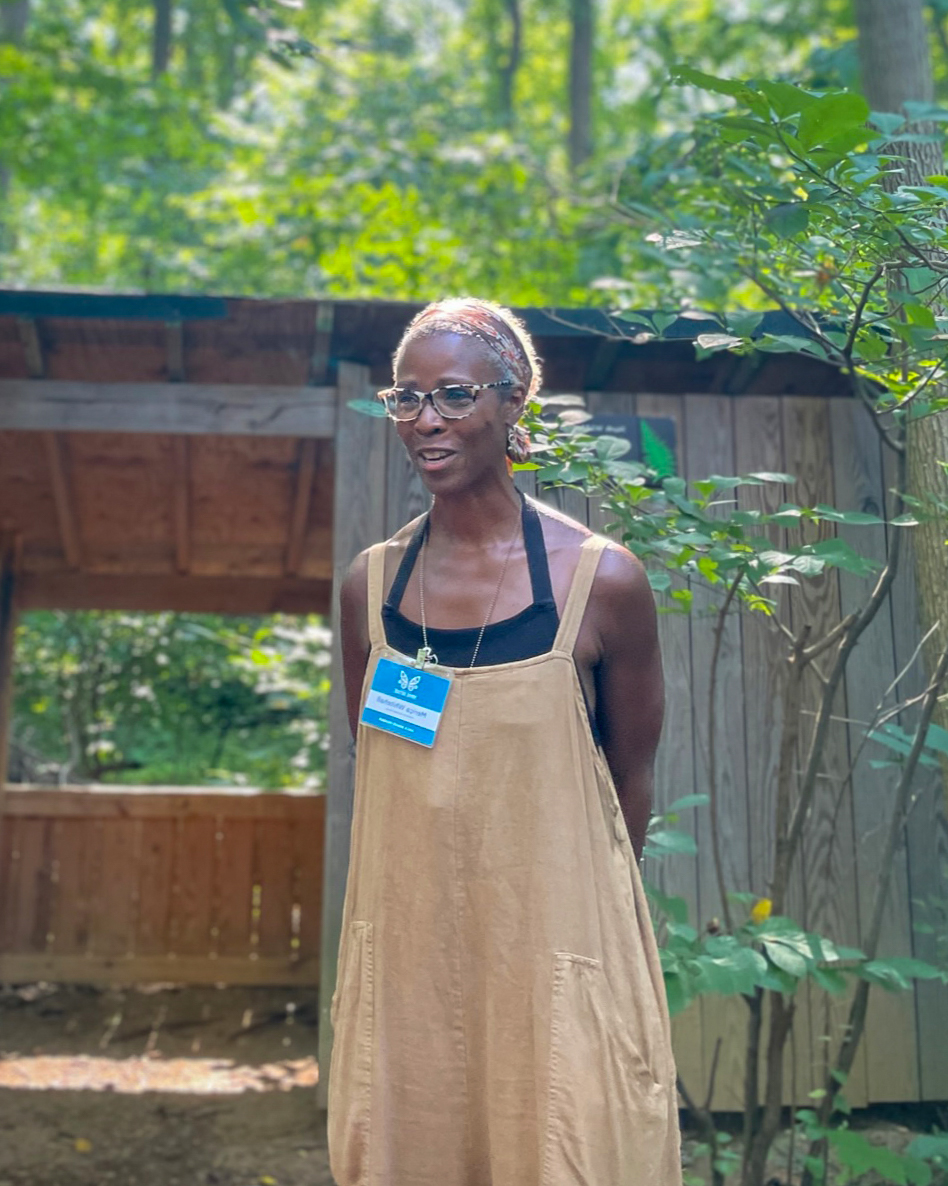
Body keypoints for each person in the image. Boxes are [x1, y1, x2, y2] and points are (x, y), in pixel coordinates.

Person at [330, 297, 682, 1186]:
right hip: (412, 961)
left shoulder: (601, 583)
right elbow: (380, 770)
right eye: (405, 399)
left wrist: (576, 937)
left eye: (453, 396)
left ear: (513, 398)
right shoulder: (366, 590)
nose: (425, 421)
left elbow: (628, 782)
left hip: (553, 958)